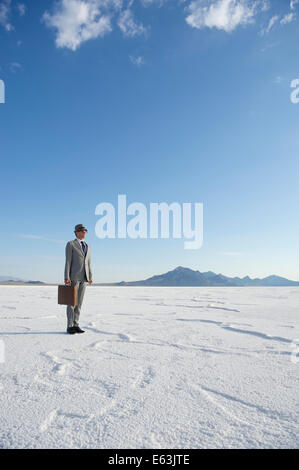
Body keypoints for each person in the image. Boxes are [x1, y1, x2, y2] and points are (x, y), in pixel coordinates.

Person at [64, 224, 93, 334]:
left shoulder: (87, 246)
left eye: (85, 231)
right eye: (82, 231)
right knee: (72, 302)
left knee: (79, 303)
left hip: (84, 278)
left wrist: (90, 276)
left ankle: (76, 324)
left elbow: (89, 262)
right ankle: (70, 325)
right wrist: (67, 276)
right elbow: (67, 261)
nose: (84, 232)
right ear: (76, 232)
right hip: (73, 277)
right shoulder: (71, 244)